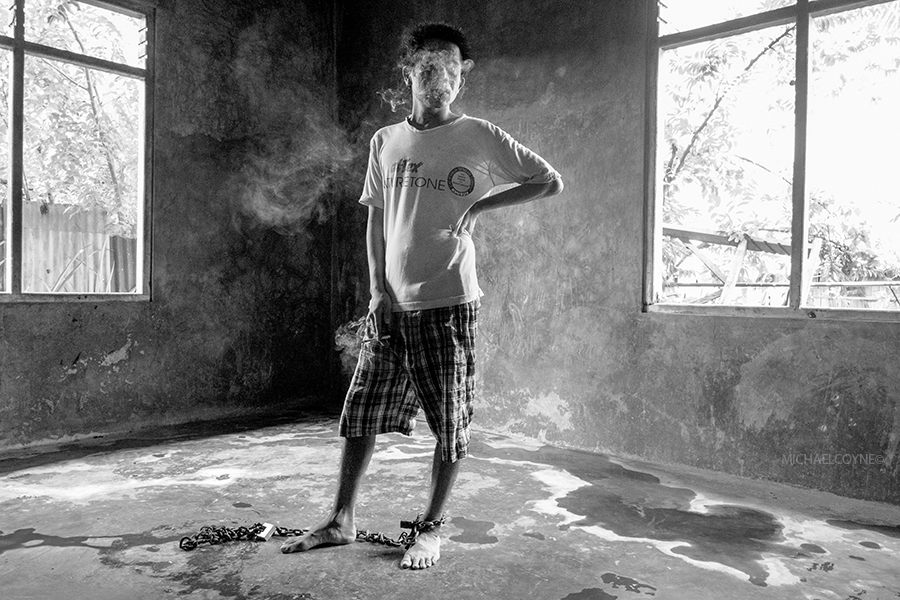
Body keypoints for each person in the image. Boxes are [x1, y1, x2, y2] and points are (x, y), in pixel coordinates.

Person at [281, 22, 563, 569]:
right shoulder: (385, 141)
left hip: (449, 303)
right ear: (409, 72)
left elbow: (548, 180)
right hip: (390, 304)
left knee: (450, 422)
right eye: (431, 67)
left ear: (462, 78)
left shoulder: (480, 135)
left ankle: (430, 529)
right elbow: (376, 220)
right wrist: (375, 290)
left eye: (453, 69)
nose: (442, 78)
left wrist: (479, 207)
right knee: (360, 412)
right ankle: (341, 520)